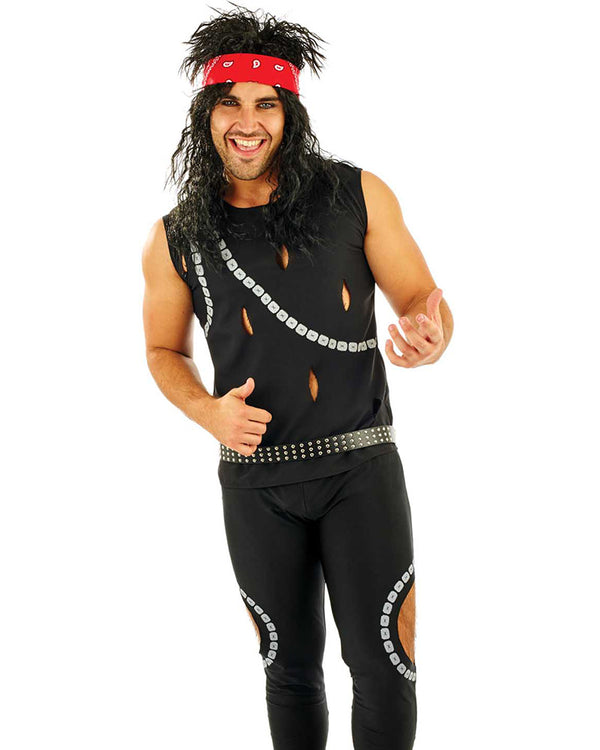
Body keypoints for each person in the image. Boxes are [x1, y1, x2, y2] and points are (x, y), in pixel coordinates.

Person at [142, 4, 453, 749]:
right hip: (257, 484)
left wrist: (432, 337)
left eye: (266, 104)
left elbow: (422, 300)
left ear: (291, 115)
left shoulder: (358, 195)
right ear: (206, 115)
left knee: (386, 663)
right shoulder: (174, 237)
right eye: (229, 103)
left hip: (360, 468)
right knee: (286, 669)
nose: (247, 122)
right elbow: (162, 350)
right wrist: (208, 412)